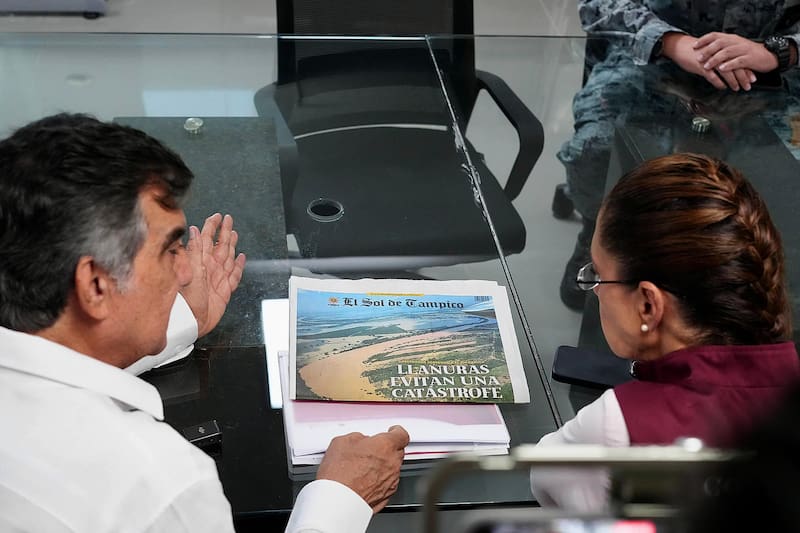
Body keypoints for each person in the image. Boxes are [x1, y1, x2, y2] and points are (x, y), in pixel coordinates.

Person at [0, 113, 410, 532]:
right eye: (169, 250)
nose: (183, 272)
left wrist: (180, 319)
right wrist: (341, 498)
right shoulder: (158, 483)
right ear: (95, 284)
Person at [532, 153, 800, 510]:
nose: (594, 290)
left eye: (598, 274)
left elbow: (544, 478)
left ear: (648, 305)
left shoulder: (614, 427)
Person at [558, 0, 800, 310]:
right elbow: (598, 4)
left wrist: (780, 51)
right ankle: (600, 230)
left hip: (766, 73)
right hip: (653, 61)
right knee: (596, 149)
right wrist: (671, 42)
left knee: (783, 182)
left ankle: (747, 265)